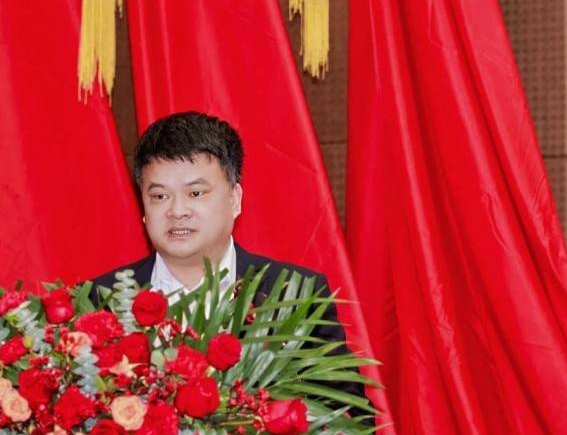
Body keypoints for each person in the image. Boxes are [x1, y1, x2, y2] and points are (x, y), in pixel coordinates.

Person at [92, 111, 368, 413]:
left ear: (235, 199)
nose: (177, 210)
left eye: (196, 193)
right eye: (159, 196)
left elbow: (348, 419)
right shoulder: (99, 302)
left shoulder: (293, 294)